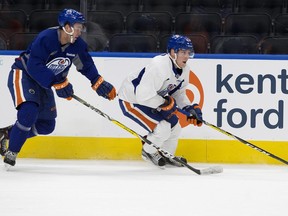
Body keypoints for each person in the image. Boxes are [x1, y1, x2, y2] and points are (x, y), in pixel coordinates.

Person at [0, 9, 116, 167]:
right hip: (23, 75)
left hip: (45, 84)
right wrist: (57, 82)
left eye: (81, 28)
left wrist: (97, 81)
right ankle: (12, 152)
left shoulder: (78, 45)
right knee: (29, 112)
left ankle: (8, 134)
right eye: (77, 27)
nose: (79, 31)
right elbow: (34, 66)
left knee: (46, 125)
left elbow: (86, 65)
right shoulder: (46, 38)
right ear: (66, 26)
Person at [118, 34, 203, 168]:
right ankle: (148, 151)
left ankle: (167, 154)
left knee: (175, 126)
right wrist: (165, 103)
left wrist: (189, 108)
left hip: (152, 99)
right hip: (131, 99)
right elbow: (142, 96)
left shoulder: (184, 69)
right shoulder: (159, 65)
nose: (186, 56)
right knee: (162, 128)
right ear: (173, 52)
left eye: (188, 52)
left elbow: (178, 92)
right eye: (183, 52)